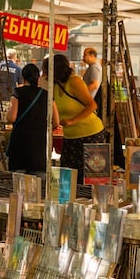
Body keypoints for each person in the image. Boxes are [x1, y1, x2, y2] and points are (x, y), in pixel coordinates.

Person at [42, 53, 105, 183]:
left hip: (90, 134)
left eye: (46, 71)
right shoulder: (54, 85)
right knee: (67, 178)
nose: (44, 74)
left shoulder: (75, 82)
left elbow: (92, 105)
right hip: (70, 137)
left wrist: (72, 120)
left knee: (91, 178)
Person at [6, 63, 58, 180]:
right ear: (38, 78)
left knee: (19, 184)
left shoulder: (18, 93)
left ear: (23, 78)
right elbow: (56, 121)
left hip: (20, 144)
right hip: (39, 145)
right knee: (39, 184)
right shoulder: (47, 95)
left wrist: (7, 115)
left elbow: (12, 118)